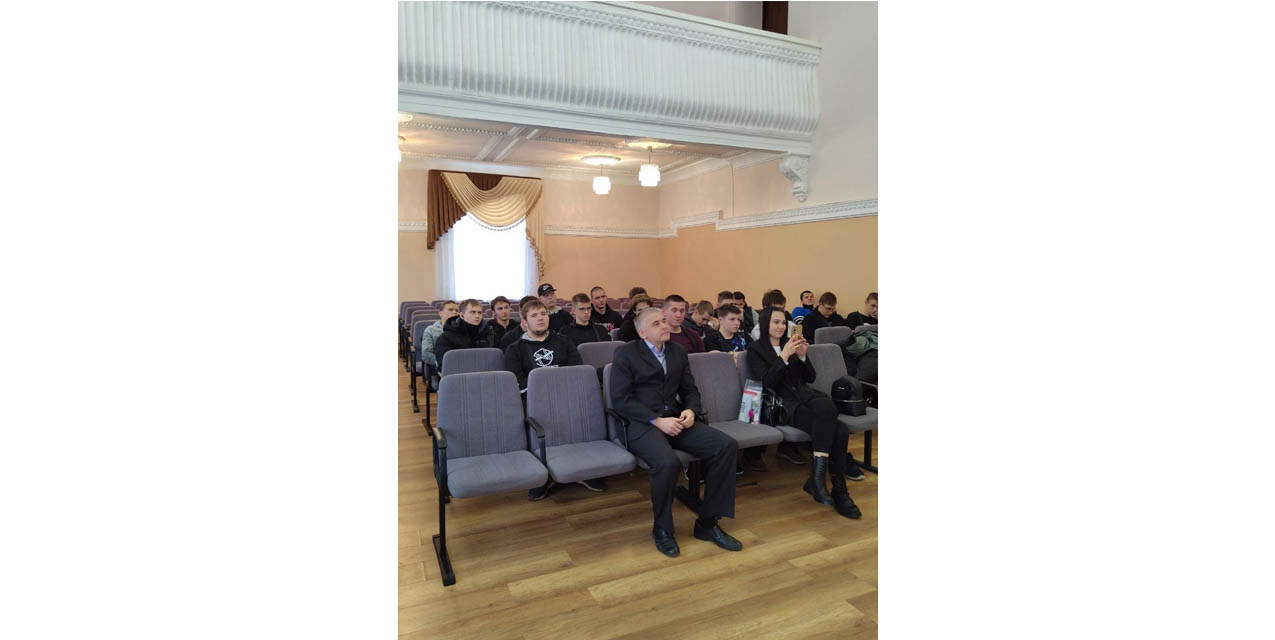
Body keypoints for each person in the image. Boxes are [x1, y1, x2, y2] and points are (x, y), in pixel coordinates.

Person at [610, 307, 742, 557]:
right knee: (666, 462)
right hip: (640, 423)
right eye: (657, 323)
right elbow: (621, 400)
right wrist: (656, 420)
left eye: (664, 321)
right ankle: (662, 529)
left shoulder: (677, 351)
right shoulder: (626, 353)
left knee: (725, 446)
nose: (665, 325)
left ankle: (707, 523)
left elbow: (690, 389)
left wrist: (691, 410)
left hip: (675, 418)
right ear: (642, 333)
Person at [747, 307, 862, 519]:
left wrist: (801, 357)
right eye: (776, 322)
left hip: (805, 396)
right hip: (783, 405)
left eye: (784, 322)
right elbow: (766, 383)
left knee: (830, 412)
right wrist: (783, 357)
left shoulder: (790, 343)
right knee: (840, 430)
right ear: (765, 324)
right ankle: (837, 491)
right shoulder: (756, 349)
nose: (781, 326)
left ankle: (822, 483)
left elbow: (809, 377)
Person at [434, 299, 496, 371]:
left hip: (487, 373)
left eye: (479, 313)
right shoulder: (446, 337)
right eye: (472, 312)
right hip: (460, 375)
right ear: (462, 315)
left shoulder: (489, 333)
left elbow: (494, 360)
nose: (477, 316)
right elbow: (446, 365)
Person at [418, 300, 459, 370]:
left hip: (460, 363)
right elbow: (426, 354)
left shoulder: (462, 329)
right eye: (450, 310)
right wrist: (443, 364)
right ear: (440, 313)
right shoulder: (431, 330)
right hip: (441, 367)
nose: (455, 312)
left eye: (457, 310)